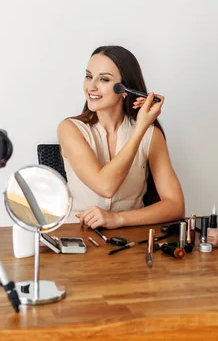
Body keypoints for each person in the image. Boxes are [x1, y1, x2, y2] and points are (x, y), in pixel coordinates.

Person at [57, 45, 185, 229]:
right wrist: (140, 128)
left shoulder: (151, 135)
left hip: (132, 238)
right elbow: (105, 186)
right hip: (78, 235)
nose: (91, 86)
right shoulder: (69, 129)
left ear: (125, 89)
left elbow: (176, 205)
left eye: (104, 79)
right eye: (88, 76)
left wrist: (118, 219)